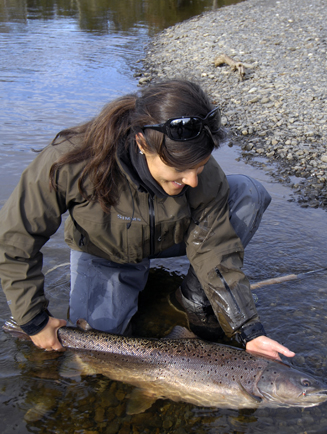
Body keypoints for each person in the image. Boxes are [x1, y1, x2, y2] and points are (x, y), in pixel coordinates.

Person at [0, 79, 294, 361]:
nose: (192, 179)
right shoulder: (71, 160)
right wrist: (34, 319)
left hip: (173, 237)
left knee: (247, 191)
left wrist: (248, 331)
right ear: (142, 143)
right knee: (97, 349)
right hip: (107, 253)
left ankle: (192, 298)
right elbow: (16, 240)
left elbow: (215, 250)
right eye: (180, 170)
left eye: (200, 166)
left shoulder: (201, 174)